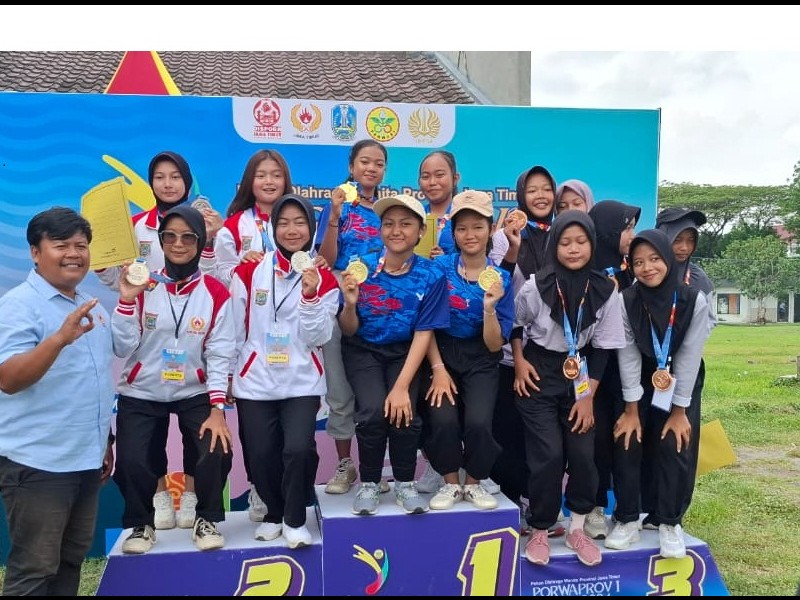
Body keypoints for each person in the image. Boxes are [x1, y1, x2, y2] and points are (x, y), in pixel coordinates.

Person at [96, 151, 224, 530]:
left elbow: (214, 280)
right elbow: (117, 280)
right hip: (148, 341)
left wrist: (211, 239)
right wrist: (104, 265)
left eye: (175, 177)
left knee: (204, 443)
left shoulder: (207, 221)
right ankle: (157, 498)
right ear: (151, 183)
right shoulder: (136, 227)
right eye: (160, 177)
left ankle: (193, 498)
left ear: (187, 181)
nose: (168, 184)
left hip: (191, 342)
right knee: (140, 451)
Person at [0, 207, 115, 596]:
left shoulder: (90, 304)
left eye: (81, 246)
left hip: (85, 459)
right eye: (61, 245)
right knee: (34, 569)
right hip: (38, 462)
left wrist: (105, 441)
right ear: (36, 252)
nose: (73, 254)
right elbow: (8, 379)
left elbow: (92, 380)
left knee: (70, 561)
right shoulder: (18, 305)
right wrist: (58, 340)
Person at [112, 204, 233, 554]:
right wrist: (125, 301)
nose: (178, 244)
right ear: (161, 241)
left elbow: (219, 353)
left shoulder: (215, 292)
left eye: (187, 237)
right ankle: (141, 524)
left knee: (216, 446)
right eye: (170, 236)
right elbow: (122, 347)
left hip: (194, 389)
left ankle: (205, 518)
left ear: (200, 241)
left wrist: (217, 409)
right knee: (133, 459)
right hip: (142, 388)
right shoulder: (144, 284)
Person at [513, 210, 625, 567]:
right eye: (565, 242)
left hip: (581, 375)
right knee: (547, 455)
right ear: (554, 246)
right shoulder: (535, 286)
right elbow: (515, 326)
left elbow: (604, 348)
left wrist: (587, 397)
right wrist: (519, 362)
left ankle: (577, 528)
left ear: (592, 244)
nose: (573, 249)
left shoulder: (606, 290)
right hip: (538, 370)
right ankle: (541, 528)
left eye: (581, 242)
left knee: (582, 454)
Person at [229, 193, 339, 549]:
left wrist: (310, 295)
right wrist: (230, 374)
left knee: (298, 450)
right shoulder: (249, 271)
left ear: (312, 229)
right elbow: (234, 329)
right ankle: (274, 513)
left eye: (300, 222)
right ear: (273, 228)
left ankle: (294, 518)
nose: (292, 230)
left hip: (301, 382)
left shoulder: (325, 278)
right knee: (260, 454)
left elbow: (319, 336)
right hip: (255, 382)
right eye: (284, 223)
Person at [339, 194, 449, 516]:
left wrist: (401, 387)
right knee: (372, 411)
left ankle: (404, 483)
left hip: (405, 350)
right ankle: (370, 483)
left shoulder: (431, 274)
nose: (396, 231)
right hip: (363, 349)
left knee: (404, 412)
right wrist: (349, 304)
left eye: (405, 224)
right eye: (388, 224)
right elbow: (348, 329)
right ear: (380, 230)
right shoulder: (361, 268)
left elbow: (424, 332)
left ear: (420, 231)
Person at [605, 229, 711, 559]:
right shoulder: (626, 300)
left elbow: (689, 356)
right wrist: (631, 409)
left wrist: (679, 412)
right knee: (627, 437)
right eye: (638, 262)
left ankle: (669, 522)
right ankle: (626, 518)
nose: (647, 268)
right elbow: (628, 354)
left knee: (674, 442)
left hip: (679, 378)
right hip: (639, 378)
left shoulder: (694, 300)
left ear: (667, 259)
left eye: (654, 259)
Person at [213, 149, 293, 522]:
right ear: (249, 181)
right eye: (261, 175)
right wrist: (243, 269)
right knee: (257, 433)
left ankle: (290, 496)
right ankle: (260, 488)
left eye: (276, 174)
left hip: (291, 341)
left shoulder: (297, 221)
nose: (269, 181)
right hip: (250, 339)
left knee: (293, 433)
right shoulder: (233, 227)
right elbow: (219, 281)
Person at [423, 191, 514, 511]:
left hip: (482, 357)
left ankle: (473, 482)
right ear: (453, 233)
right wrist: (438, 370)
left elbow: (494, 344)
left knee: (478, 423)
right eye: (462, 228)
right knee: (443, 419)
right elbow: (425, 324)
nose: (470, 234)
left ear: (490, 230)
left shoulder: (502, 278)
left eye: (478, 227)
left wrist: (489, 308)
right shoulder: (438, 268)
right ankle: (450, 482)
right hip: (442, 352)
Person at [488, 165, 561, 534]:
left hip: (551, 353)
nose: (540, 196)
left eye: (546, 188)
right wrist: (510, 242)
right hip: (511, 352)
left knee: (545, 439)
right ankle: (511, 506)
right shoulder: (506, 236)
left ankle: (541, 507)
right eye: (532, 190)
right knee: (509, 434)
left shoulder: (565, 235)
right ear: (520, 196)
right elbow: (496, 282)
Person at [315, 140, 389, 495]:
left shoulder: (389, 209)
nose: (371, 168)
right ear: (351, 166)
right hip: (340, 301)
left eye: (378, 163)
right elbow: (326, 260)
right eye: (364, 162)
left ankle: (377, 468)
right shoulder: (338, 206)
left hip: (381, 306)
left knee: (377, 393)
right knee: (340, 389)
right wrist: (333, 215)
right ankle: (345, 464)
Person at [583, 199, 640, 540]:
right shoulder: (583, 271)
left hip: (627, 373)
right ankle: (595, 506)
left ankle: (629, 513)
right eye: (626, 228)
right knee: (596, 441)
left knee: (627, 439)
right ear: (605, 231)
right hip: (592, 371)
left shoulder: (634, 271)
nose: (631, 235)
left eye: (632, 228)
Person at [654, 207, 715, 523]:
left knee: (679, 441)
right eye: (677, 239)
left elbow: (710, 321)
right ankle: (647, 509)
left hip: (686, 370)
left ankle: (672, 514)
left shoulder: (699, 279)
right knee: (652, 438)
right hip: (653, 370)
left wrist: (683, 340)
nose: (683, 248)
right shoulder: (646, 272)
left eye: (690, 241)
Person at [419, 149, 460, 257]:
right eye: (425, 177)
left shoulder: (464, 216)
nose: (432, 182)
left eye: (439, 175)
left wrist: (445, 260)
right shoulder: (414, 216)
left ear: (455, 179)